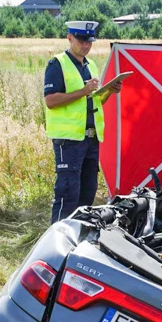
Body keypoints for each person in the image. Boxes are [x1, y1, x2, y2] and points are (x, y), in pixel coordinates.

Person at [44, 21, 122, 223]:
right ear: (69, 38)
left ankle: (79, 236)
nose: (86, 45)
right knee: (67, 193)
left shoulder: (90, 65)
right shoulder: (57, 64)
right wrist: (83, 92)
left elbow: (94, 101)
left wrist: (109, 92)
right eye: (81, 40)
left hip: (91, 138)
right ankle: (57, 240)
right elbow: (51, 101)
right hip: (68, 140)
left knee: (88, 192)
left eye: (90, 41)